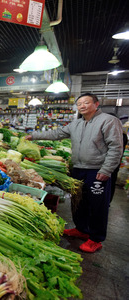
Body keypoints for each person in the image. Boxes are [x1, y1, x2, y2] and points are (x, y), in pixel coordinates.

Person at [26, 93, 123, 253]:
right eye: (79, 104)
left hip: (97, 170)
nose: (82, 106)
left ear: (96, 104)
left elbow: (116, 147)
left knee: (98, 205)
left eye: (86, 102)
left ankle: (96, 238)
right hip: (78, 168)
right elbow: (56, 134)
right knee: (78, 201)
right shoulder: (76, 124)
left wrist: (106, 169)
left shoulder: (108, 121)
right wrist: (34, 135)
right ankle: (81, 229)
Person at [107, 113, 128, 202]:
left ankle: (106, 203)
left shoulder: (119, 135)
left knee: (108, 184)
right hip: (112, 165)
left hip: (110, 165)